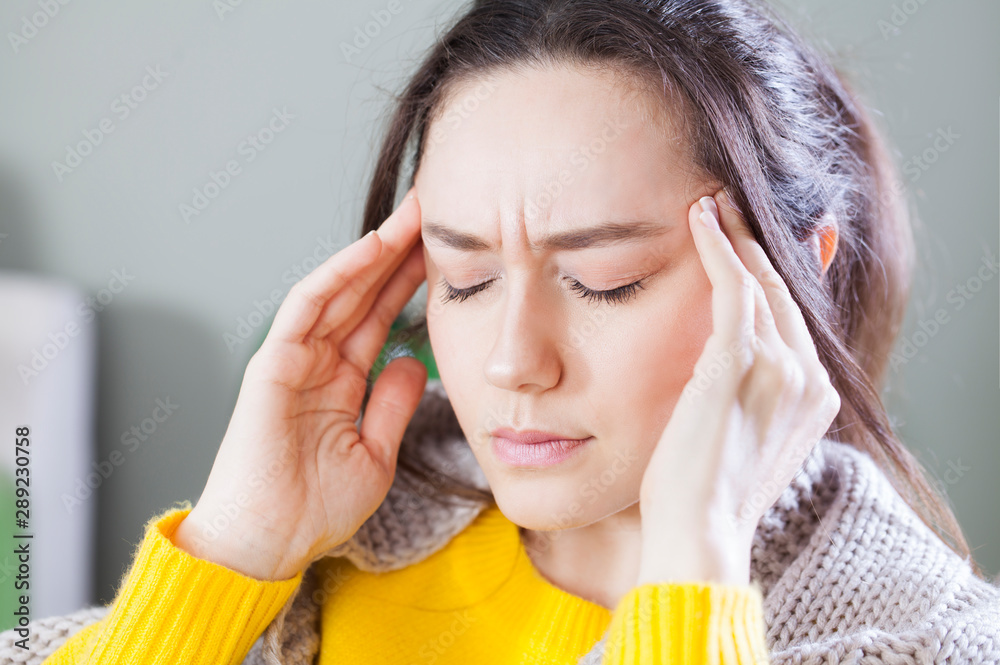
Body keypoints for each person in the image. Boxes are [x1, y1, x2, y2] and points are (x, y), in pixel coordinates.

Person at [7, 0, 1000, 663]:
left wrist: (691, 564)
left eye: (605, 280)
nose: (508, 361)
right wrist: (233, 551)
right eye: (464, 275)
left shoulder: (924, 632)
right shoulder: (345, 532)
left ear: (794, 269)